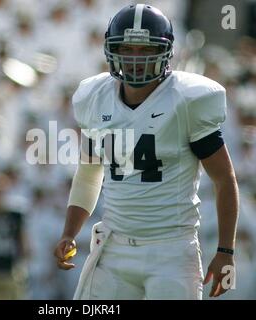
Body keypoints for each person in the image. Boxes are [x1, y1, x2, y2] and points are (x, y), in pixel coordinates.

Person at [54, 4, 239, 300]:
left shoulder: (187, 100)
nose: (135, 59)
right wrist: (70, 232)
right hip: (113, 247)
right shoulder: (95, 97)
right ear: (111, 50)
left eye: (145, 49)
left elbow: (223, 179)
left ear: (164, 52)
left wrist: (225, 250)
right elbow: (89, 174)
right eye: (127, 48)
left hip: (171, 251)